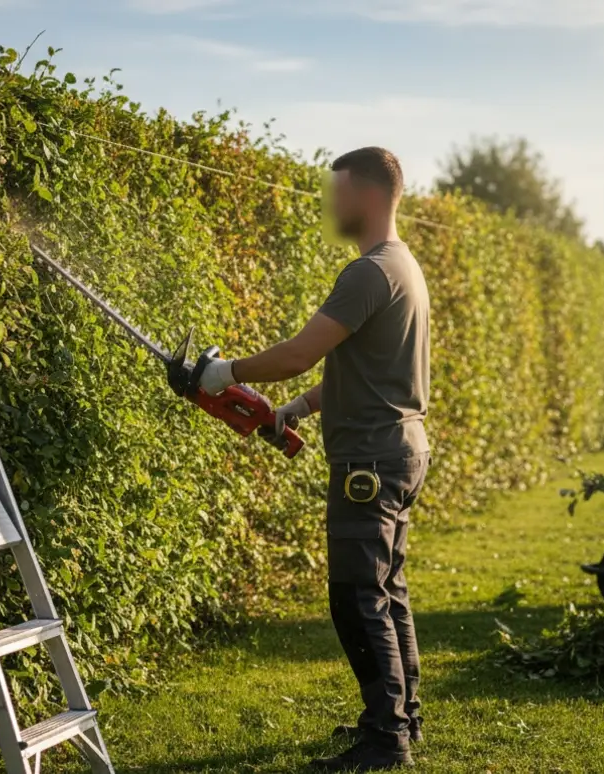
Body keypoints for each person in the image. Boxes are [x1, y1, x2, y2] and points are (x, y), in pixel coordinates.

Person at [197, 146, 431, 771]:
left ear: (371, 195)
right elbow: (362, 372)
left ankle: (386, 742)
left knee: (359, 597)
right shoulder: (403, 266)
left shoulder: (368, 273)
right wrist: (294, 410)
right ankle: (399, 718)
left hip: (369, 462)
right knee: (387, 590)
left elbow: (302, 352)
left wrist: (228, 373)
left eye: (340, 190)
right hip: (401, 451)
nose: (332, 203)